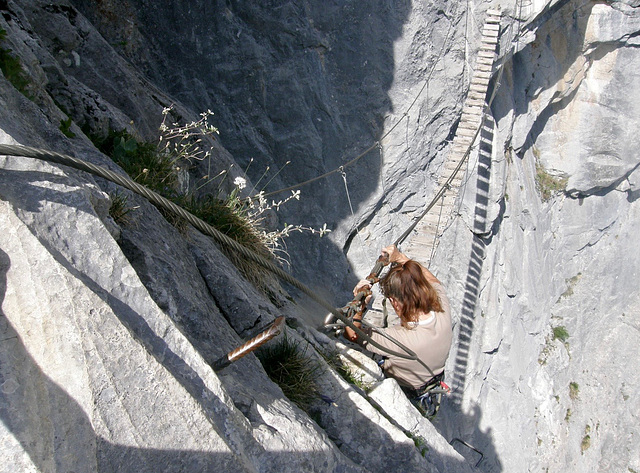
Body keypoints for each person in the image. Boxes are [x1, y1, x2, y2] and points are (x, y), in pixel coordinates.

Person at [344, 245, 452, 409]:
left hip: (405, 391)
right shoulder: (441, 308)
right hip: (430, 381)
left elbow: (352, 334)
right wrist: (400, 257)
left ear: (396, 302)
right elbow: (433, 281)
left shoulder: (400, 339)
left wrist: (360, 307)